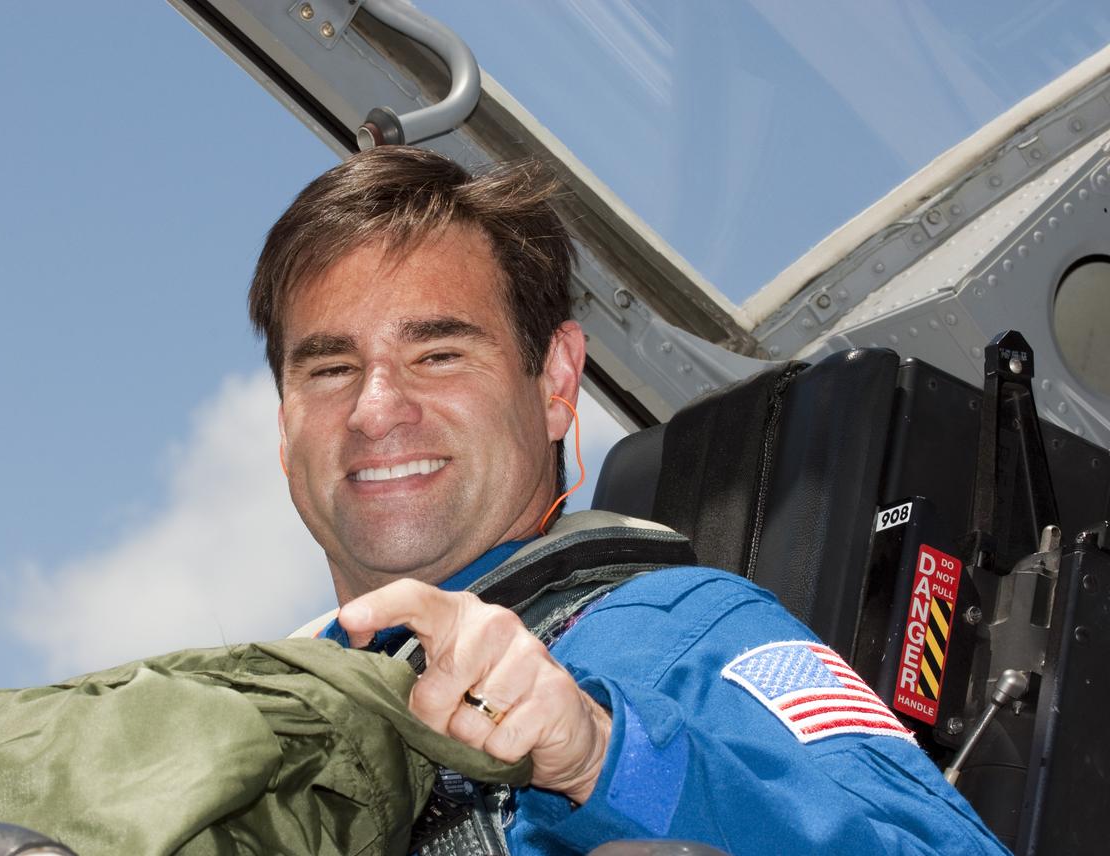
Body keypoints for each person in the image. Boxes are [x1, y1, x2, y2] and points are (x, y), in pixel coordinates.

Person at [251, 145, 1008, 855]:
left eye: (438, 354)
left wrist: (601, 756)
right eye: (330, 369)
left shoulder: (679, 636)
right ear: (286, 428)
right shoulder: (256, 734)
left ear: (554, 383)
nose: (375, 409)